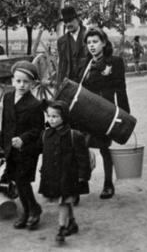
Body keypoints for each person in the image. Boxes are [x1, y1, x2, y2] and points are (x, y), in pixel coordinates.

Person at [79, 27, 130, 199]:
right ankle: (82, 180)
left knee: (103, 147)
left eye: (95, 42)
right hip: (86, 113)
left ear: (104, 43)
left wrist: (125, 116)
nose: (92, 46)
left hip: (105, 113)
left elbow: (121, 90)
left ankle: (108, 183)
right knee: (81, 145)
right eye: (89, 43)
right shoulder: (85, 63)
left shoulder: (114, 62)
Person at [38, 100, 91, 244]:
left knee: (63, 202)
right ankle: (72, 223)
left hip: (69, 177)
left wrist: (83, 176)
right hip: (54, 177)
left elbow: (83, 158)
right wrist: (44, 170)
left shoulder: (74, 136)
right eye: (49, 116)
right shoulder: (46, 135)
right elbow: (46, 155)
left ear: (64, 117)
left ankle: (61, 228)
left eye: (55, 116)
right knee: (65, 201)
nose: (51, 119)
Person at [0, 61, 44, 230]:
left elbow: (38, 129)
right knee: (18, 182)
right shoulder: (8, 97)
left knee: (23, 181)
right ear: (12, 81)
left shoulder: (34, 105)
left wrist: (23, 139)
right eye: (18, 81)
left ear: (32, 84)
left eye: (26, 82)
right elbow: (6, 122)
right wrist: (3, 144)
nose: (21, 85)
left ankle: (31, 211)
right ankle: (30, 210)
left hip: (27, 150)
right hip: (11, 149)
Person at [57, 6, 89, 85]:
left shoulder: (89, 35)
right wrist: (59, 87)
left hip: (88, 82)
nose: (68, 24)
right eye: (66, 21)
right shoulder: (61, 41)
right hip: (70, 83)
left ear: (78, 20)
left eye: (70, 20)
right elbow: (62, 66)